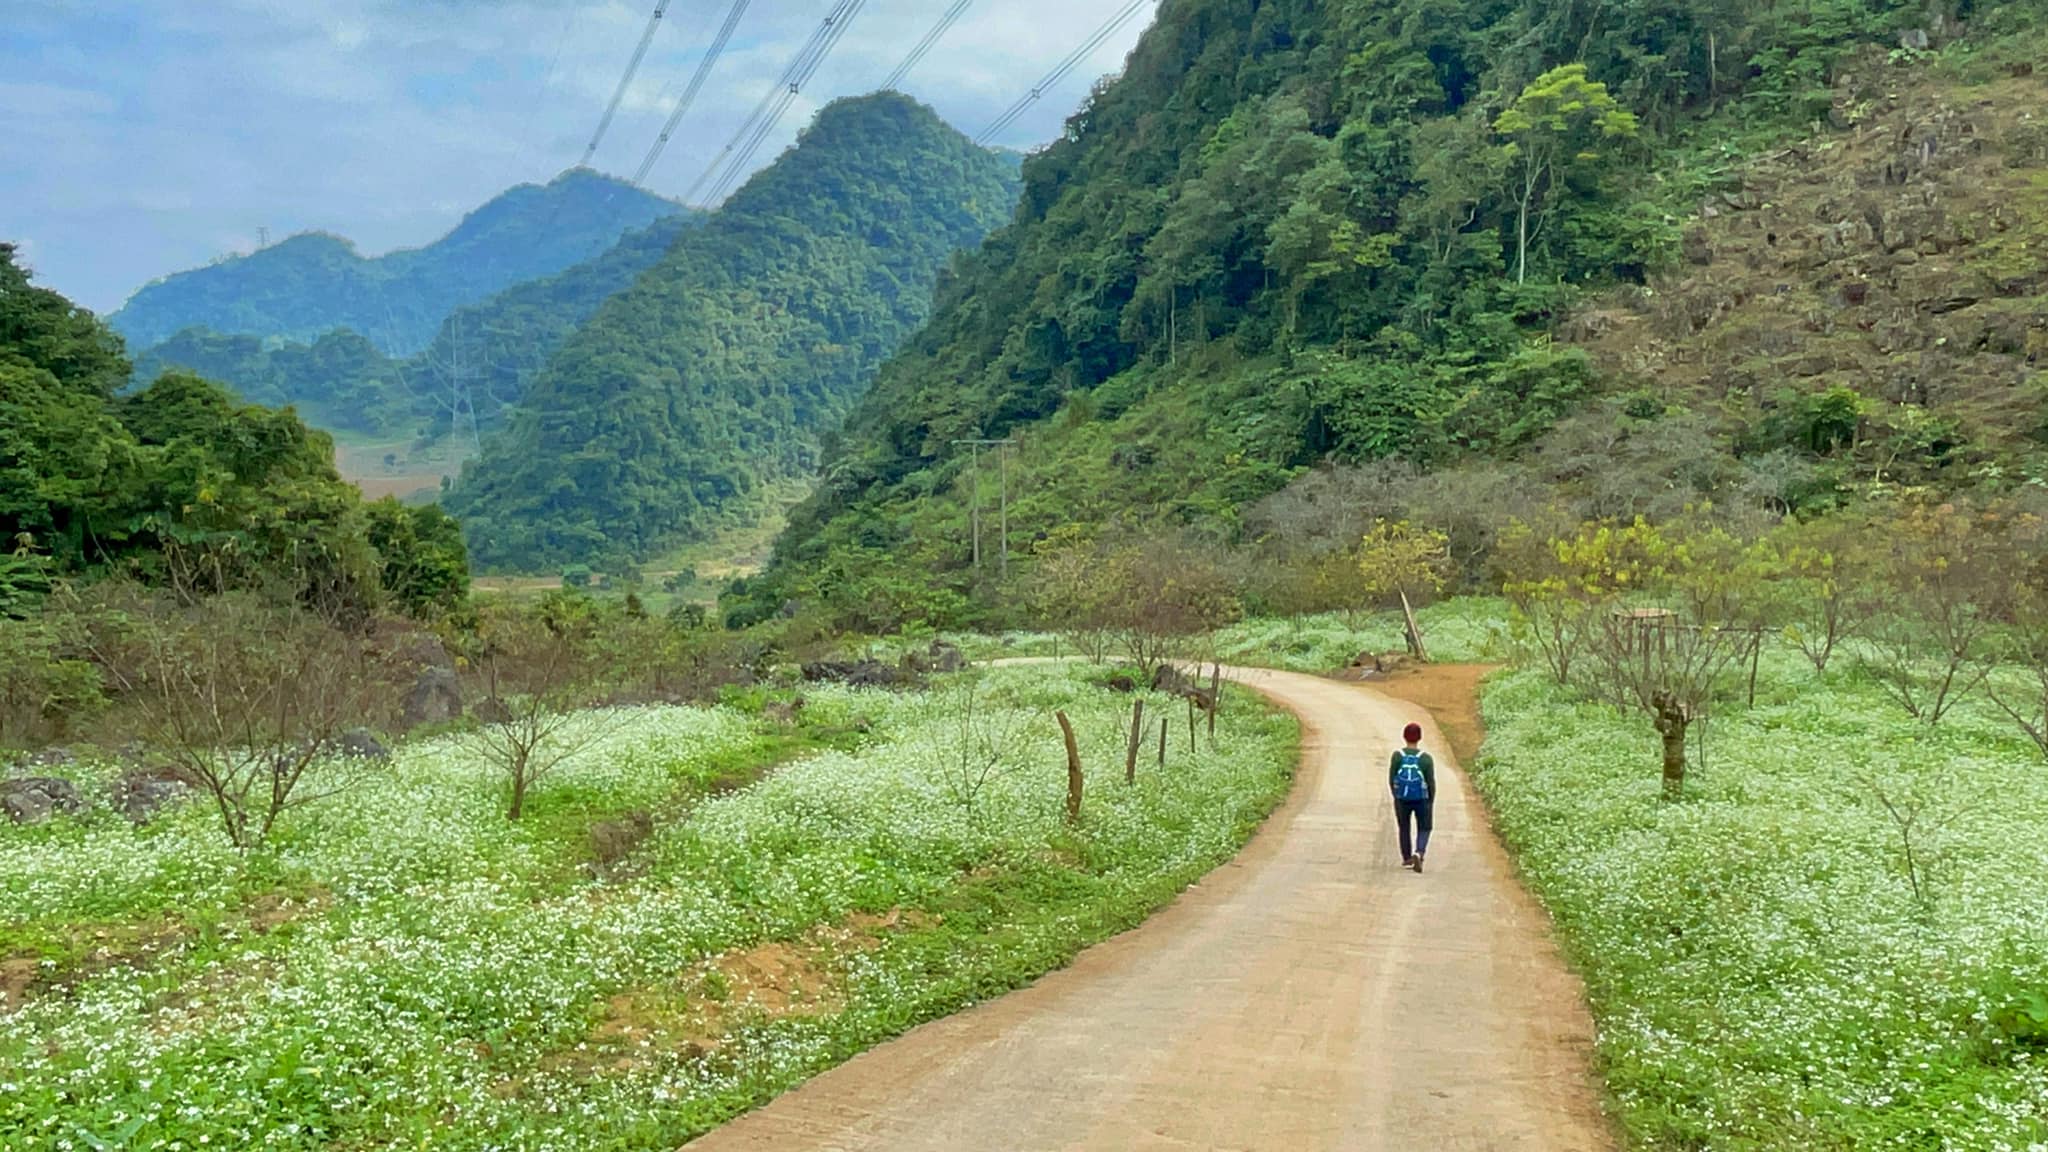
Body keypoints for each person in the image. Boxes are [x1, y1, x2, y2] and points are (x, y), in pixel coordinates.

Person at [1389, 722, 1436, 873]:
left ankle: (1407, 858)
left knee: (1404, 826)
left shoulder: (1397, 756)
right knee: (1425, 827)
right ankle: (1419, 852)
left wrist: (1396, 796)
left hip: (1402, 797)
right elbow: (1430, 782)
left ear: (1404, 736)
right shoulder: (1426, 759)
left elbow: (1391, 778)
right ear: (1420, 738)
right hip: (1421, 798)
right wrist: (1430, 800)